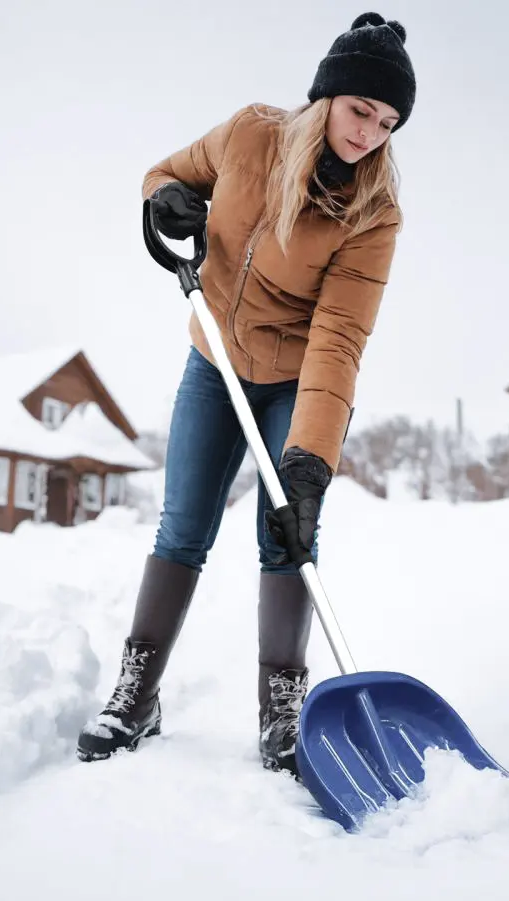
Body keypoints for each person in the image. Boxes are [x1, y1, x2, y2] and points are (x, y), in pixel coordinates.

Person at [76, 13, 416, 775]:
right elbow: (163, 172)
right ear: (327, 96)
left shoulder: (374, 214)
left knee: (288, 533)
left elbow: (338, 339)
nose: (369, 134)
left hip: (298, 377)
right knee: (182, 527)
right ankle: (139, 694)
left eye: (388, 122)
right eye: (361, 109)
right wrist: (164, 201)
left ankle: (282, 708)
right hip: (215, 361)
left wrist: (307, 466)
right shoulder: (250, 135)